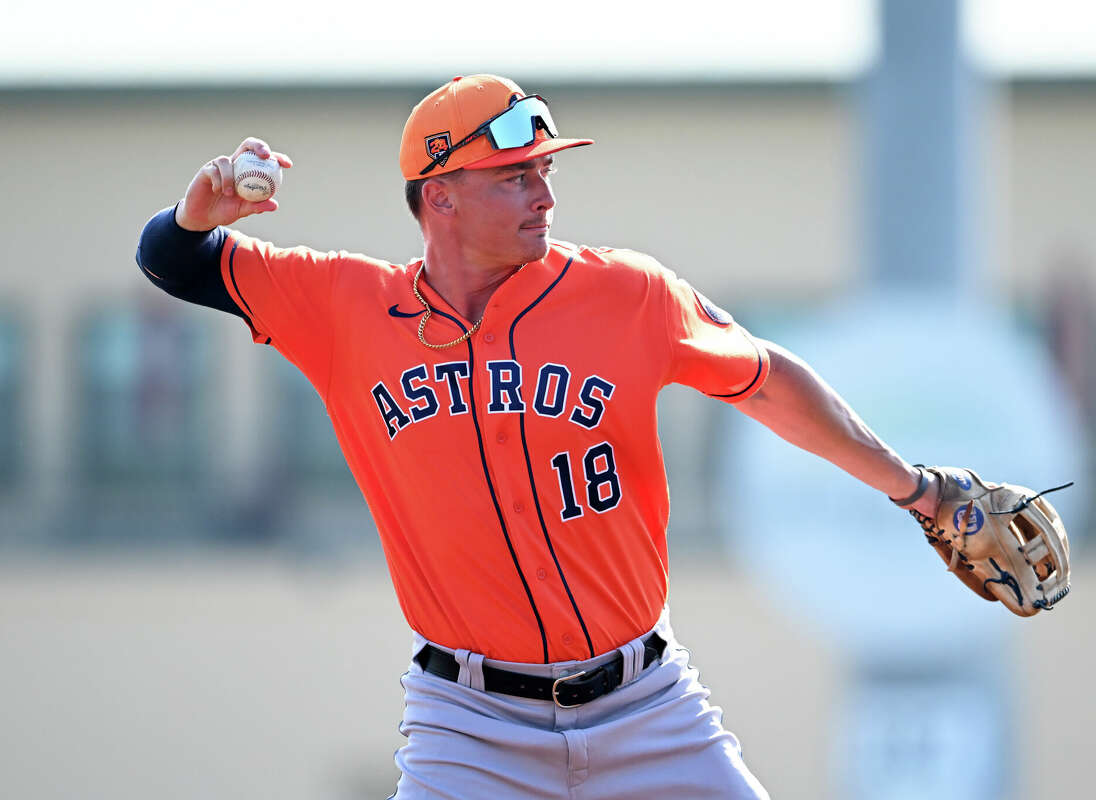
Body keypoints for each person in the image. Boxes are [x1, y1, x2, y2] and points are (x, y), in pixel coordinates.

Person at [136, 74, 941, 800]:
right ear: (440, 196)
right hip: (469, 726)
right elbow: (173, 259)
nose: (544, 194)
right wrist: (197, 212)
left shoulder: (628, 293)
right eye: (515, 175)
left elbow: (766, 379)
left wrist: (916, 489)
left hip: (647, 707)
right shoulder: (346, 306)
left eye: (546, 171)